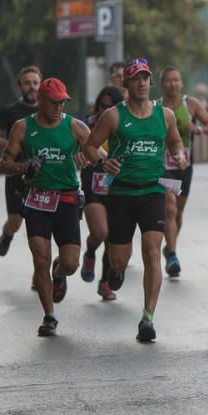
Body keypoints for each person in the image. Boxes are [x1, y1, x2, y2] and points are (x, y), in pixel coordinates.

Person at [84, 58, 188, 342]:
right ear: (127, 84)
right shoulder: (114, 116)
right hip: (121, 193)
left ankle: (148, 317)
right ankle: (114, 272)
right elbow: (90, 146)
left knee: (152, 251)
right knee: (120, 258)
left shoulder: (164, 115)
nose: (142, 82)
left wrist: (178, 155)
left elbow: (175, 141)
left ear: (150, 83)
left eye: (146, 78)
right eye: (136, 78)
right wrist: (104, 163)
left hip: (153, 189)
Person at [0, 78, 91, 336]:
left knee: (71, 263)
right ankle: (49, 315)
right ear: (41, 100)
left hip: (68, 199)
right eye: (54, 102)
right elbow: (3, 164)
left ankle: (59, 273)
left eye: (63, 102)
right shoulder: (21, 127)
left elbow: (97, 153)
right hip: (37, 199)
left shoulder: (75, 127)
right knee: (40, 258)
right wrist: (22, 167)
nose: (59, 107)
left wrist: (91, 159)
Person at [158, 65, 208, 278]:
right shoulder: (156, 107)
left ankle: (169, 246)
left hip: (185, 165)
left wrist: (197, 129)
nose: (172, 84)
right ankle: (172, 254)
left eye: (176, 80)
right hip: (163, 166)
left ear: (181, 83)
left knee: (179, 211)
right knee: (170, 208)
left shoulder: (190, 104)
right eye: (168, 80)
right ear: (162, 84)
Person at [0, 65, 41, 257]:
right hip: (16, 171)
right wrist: (14, 145)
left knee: (41, 227)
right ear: (20, 86)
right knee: (16, 221)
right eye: (27, 83)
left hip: (44, 175)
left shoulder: (47, 110)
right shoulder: (10, 111)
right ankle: (7, 234)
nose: (32, 87)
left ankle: (39, 274)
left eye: (35, 83)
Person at [79, 85, 124, 301]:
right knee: (101, 233)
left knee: (113, 238)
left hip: (117, 185)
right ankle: (90, 252)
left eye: (110, 106)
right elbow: (78, 145)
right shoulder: (87, 124)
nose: (105, 110)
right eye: (102, 105)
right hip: (93, 182)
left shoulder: (125, 124)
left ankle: (105, 282)